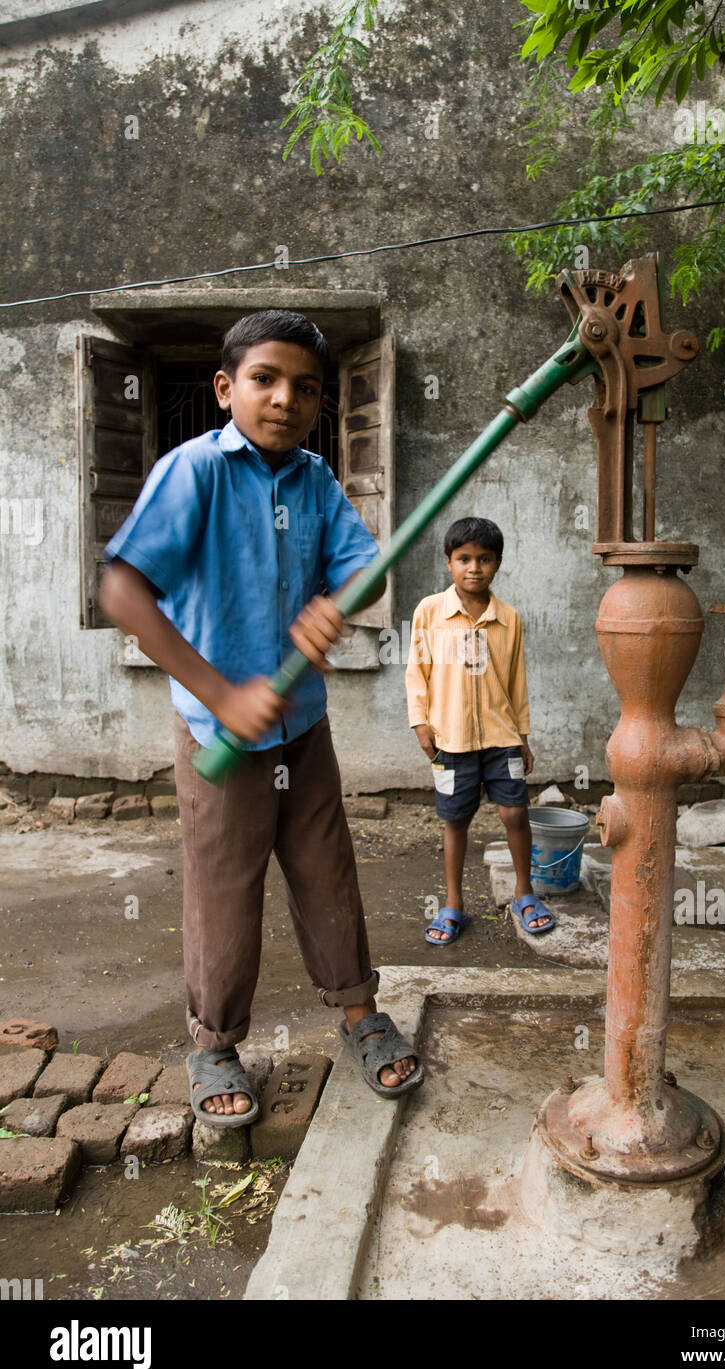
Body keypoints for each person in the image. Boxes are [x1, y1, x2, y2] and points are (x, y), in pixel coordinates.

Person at [100, 309, 423, 1126]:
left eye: (305, 388)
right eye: (264, 379)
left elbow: (367, 574)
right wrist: (222, 695)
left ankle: (358, 1012)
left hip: (302, 728)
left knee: (326, 869)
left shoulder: (315, 480)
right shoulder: (192, 473)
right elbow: (122, 592)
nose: (284, 399)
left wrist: (337, 604)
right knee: (224, 890)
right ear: (225, 388)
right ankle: (212, 1043)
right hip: (221, 736)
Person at [405, 517, 555, 944]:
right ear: (449, 563)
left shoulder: (509, 619)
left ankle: (524, 893)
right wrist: (420, 722)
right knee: (455, 820)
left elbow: (516, 682)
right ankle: (454, 904)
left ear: (498, 564)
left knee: (515, 813)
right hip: (450, 739)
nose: (474, 568)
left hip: (501, 738)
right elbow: (417, 671)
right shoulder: (430, 612)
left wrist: (522, 736)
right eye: (464, 559)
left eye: (484, 559)